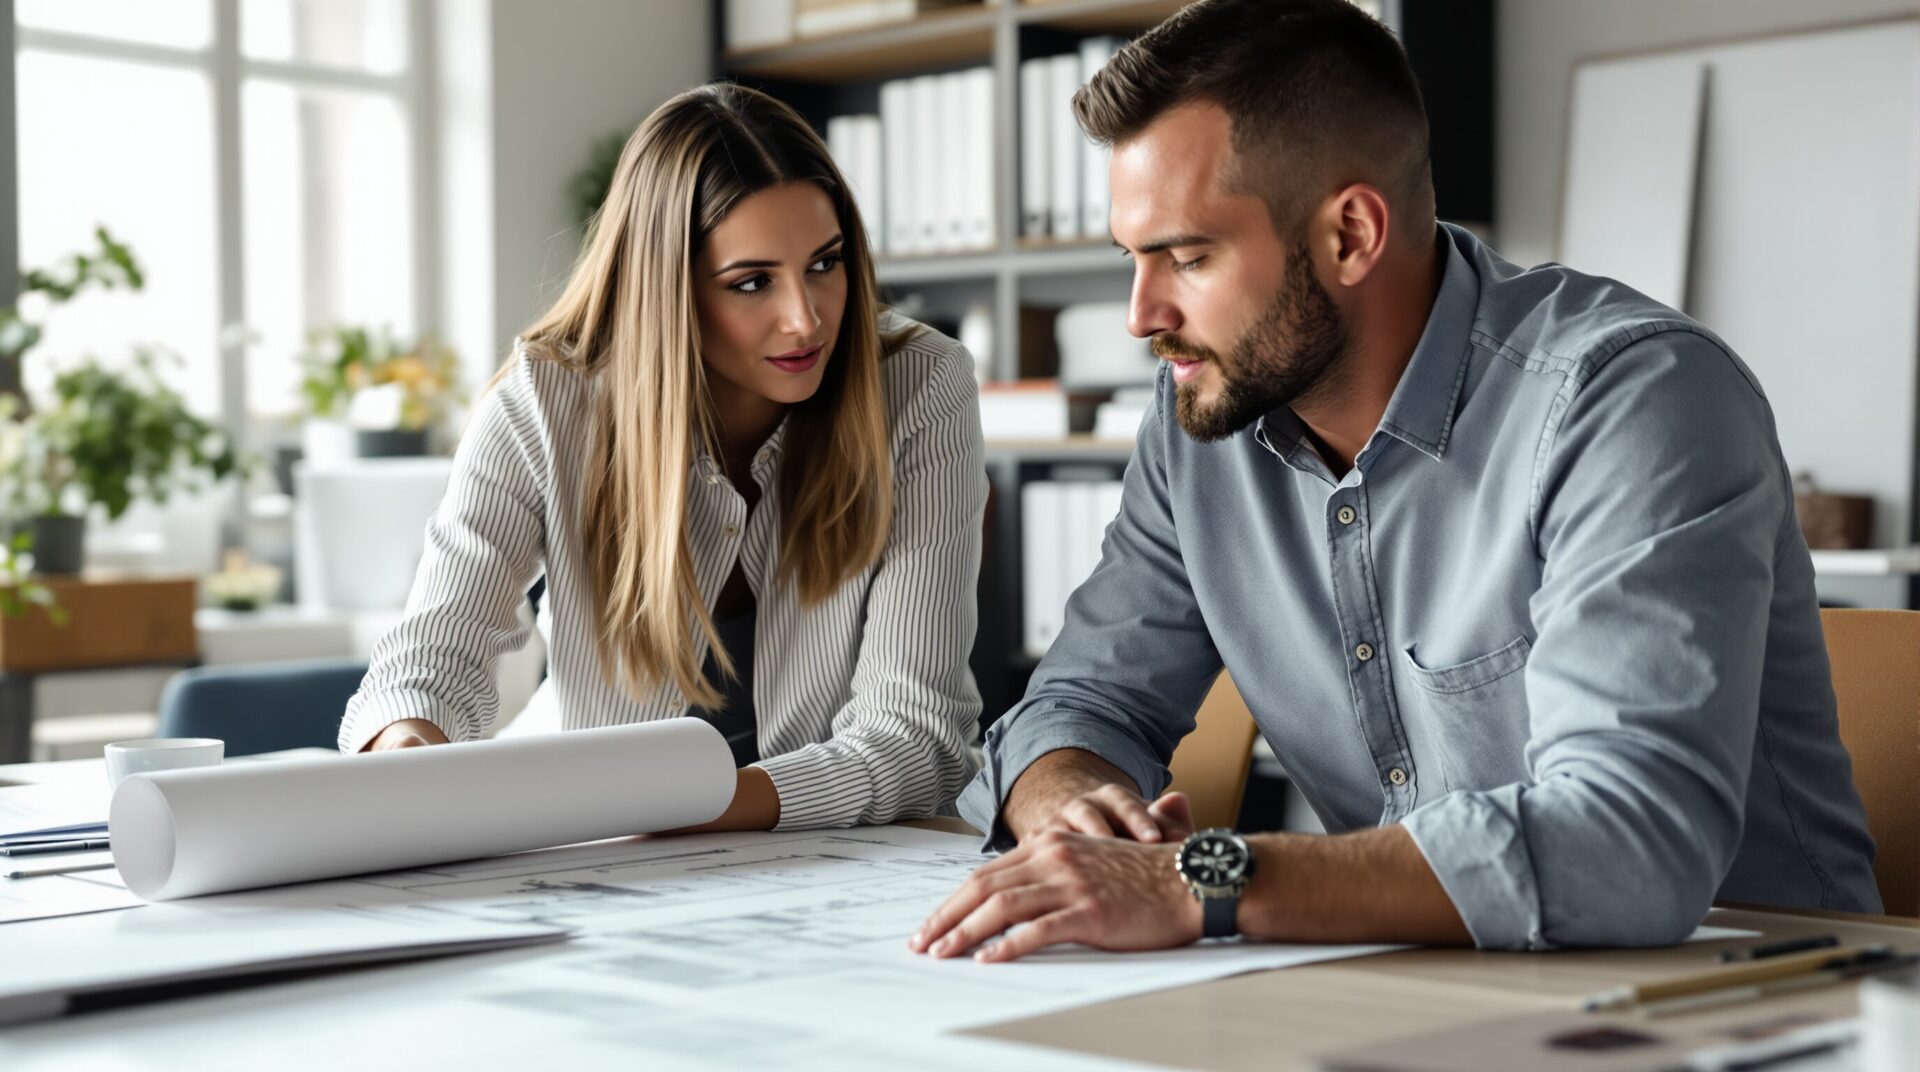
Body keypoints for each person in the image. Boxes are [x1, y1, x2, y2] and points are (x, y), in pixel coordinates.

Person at [912, 0, 1879, 963]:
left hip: (1754, 993)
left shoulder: (1633, 401)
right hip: (1432, 986)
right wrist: (1078, 816)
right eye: (1133, 257)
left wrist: (1202, 878)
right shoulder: (1202, 424)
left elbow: (1628, 841)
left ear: (1351, 235)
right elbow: (1081, 705)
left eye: (1189, 256)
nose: (1139, 314)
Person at [337, 83, 988, 834]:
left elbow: (918, 737)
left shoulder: (919, 385)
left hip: (813, 865)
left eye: (825, 263)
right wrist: (409, 745)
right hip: (582, 847)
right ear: (667, 289)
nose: (806, 318)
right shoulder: (547, 401)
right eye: (752, 282)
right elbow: (431, 656)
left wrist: (683, 807)